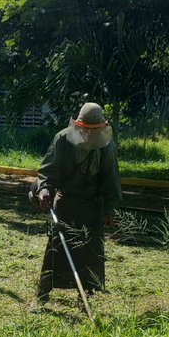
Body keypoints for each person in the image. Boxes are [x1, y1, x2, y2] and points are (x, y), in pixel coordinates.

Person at [30, 101, 122, 303]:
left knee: (90, 253)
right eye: (86, 129)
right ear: (78, 125)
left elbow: (110, 178)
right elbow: (48, 170)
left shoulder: (106, 145)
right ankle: (42, 296)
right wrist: (44, 190)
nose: (90, 133)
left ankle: (86, 297)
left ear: (101, 127)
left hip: (93, 206)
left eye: (95, 129)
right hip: (66, 203)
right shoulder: (62, 139)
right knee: (56, 250)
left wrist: (109, 209)